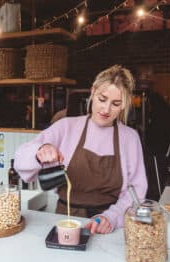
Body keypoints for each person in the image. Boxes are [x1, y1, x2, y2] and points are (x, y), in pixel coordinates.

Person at [14, 65, 147, 234]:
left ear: (123, 105)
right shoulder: (66, 127)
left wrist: (112, 217)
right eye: (102, 99)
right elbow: (20, 159)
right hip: (65, 219)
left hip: (106, 226)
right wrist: (40, 151)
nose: (106, 110)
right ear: (93, 92)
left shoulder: (129, 138)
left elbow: (136, 191)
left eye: (115, 104)